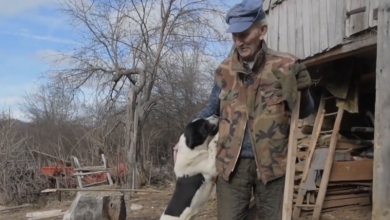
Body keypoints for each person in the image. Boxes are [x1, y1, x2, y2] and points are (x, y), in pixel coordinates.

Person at [174, 0, 314, 219]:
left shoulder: (286, 66)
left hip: (273, 165)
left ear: (262, 31)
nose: (239, 42)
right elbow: (212, 109)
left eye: (244, 34)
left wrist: (303, 92)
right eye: (234, 36)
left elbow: (304, 112)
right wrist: (184, 136)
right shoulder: (224, 71)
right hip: (232, 166)